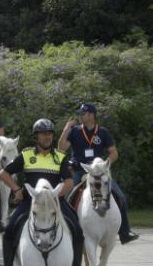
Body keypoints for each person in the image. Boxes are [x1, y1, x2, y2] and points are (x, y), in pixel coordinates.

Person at [0, 119, 86, 266]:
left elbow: (68, 183)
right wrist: (16, 189)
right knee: (9, 227)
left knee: (77, 229)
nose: (47, 136)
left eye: (50, 133)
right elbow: (3, 173)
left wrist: (53, 195)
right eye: (44, 133)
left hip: (55, 203)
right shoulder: (26, 156)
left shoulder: (60, 157)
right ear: (36, 136)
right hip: (30, 202)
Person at [58, 103, 138, 244]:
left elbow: (114, 153)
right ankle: (65, 230)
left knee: (121, 197)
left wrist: (104, 165)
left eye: (83, 114)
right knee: (65, 197)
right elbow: (61, 148)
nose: (80, 116)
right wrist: (65, 130)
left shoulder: (103, 132)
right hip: (79, 169)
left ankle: (125, 232)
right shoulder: (75, 131)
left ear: (91, 115)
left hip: (99, 171)